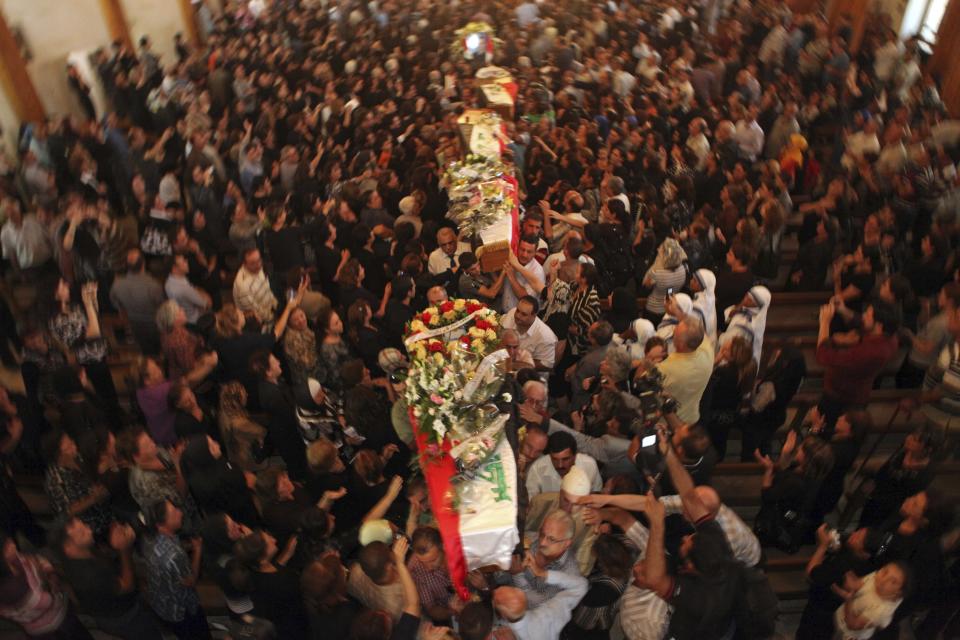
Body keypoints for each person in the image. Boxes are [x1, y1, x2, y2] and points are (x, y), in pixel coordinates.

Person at [56, 518, 164, 639]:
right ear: (69, 548)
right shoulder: (88, 575)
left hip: (114, 608)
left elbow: (106, 560)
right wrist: (124, 549)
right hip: (123, 616)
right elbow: (127, 586)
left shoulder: (81, 553)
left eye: (82, 523)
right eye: (80, 531)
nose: (85, 526)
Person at [0, 531, 94, 639]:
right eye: (7, 546)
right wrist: (53, 583)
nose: (13, 544)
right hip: (49, 627)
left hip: (54, 618)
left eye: (9, 541)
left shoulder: (14, 559)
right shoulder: (11, 588)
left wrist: (49, 572)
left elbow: (39, 560)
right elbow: (45, 601)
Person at [141, 499, 211, 639]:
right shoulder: (174, 555)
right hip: (180, 609)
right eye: (174, 512)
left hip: (161, 602)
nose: (180, 512)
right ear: (161, 525)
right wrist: (197, 549)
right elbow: (191, 580)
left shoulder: (147, 539)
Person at [233, 528, 311, 638]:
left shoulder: (252, 573)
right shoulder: (284, 581)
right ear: (261, 559)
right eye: (269, 540)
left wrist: (287, 554)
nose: (274, 539)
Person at [110, 248, 165, 354]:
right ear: (143, 264)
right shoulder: (154, 285)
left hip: (132, 328)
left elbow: (115, 303)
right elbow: (161, 307)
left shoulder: (117, 285)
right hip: (153, 329)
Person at [526, 431, 602, 499]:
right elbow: (531, 502)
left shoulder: (590, 465)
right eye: (555, 459)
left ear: (575, 455)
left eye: (565, 459)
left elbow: (596, 493)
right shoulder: (537, 469)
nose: (560, 465)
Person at [501, 296, 558, 372]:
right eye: (518, 311)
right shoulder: (512, 313)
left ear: (534, 316)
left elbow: (547, 365)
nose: (518, 315)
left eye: (523, 314)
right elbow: (501, 336)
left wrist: (517, 364)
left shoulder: (545, 336)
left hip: (529, 378)